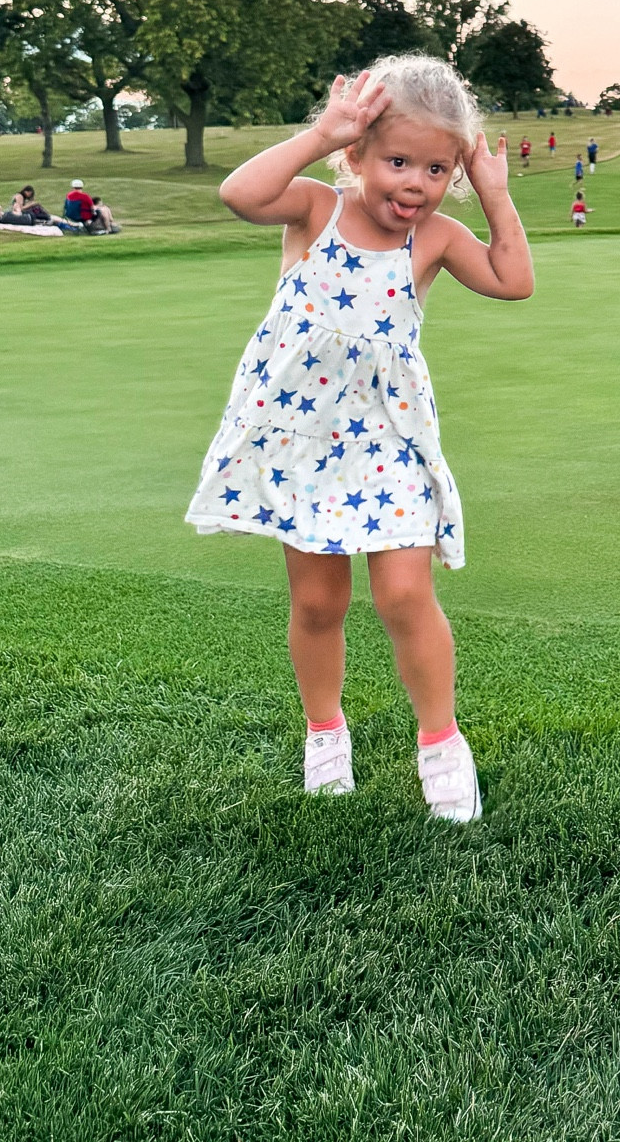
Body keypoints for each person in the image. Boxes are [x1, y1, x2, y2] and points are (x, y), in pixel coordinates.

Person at [184, 56, 533, 820]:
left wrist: (496, 198)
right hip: (304, 442)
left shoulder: (434, 237)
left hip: (389, 441)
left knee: (405, 594)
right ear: (358, 155)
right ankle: (324, 733)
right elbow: (238, 193)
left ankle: (440, 744)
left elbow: (514, 280)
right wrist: (319, 135)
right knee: (317, 603)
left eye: (437, 168)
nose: (415, 182)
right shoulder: (314, 208)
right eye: (397, 161)